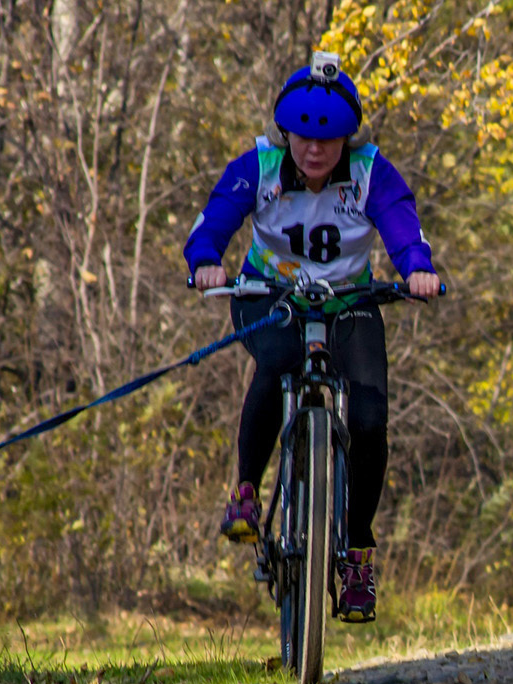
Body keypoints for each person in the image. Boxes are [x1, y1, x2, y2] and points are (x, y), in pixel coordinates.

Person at [184, 51, 439, 622]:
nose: (314, 150)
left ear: (347, 139)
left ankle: (356, 553)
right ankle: (247, 493)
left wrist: (415, 267)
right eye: (302, 137)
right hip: (267, 294)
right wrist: (206, 260)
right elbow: (218, 216)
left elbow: (401, 224)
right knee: (275, 362)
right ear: (287, 133)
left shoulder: (372, 171)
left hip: (349, 300)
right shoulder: (260, 164)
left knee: (371, 416)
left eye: (328, 140)